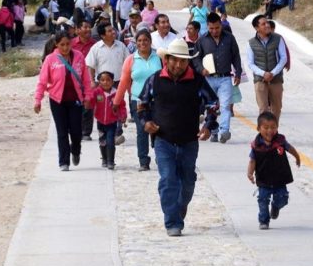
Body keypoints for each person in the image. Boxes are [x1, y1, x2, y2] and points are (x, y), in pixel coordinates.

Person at [138, 38, 219, 237]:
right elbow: (142, 104)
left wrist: (208, 126)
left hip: (189, 141)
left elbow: (213, 105)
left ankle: (180, 206)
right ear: (167, 60)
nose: (178, 64)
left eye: (183, 61)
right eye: (174, 60)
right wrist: (146, 122)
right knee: (168, 180)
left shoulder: (198, 81)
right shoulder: (155, 79)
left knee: (188, 181)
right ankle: (172, 221)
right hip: (163, 140)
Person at [34, 30, 94, 171]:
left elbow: (86, 79)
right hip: (57, 100)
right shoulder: (50, 59)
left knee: (76, 131)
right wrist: (38, 100)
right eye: (62, 45)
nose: (66, 48)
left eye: (68, 44)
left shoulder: (79, 57)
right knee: (62, 132)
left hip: (75, 100)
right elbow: (42, 82)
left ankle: (76, 150)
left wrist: (88, 96)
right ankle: (64, 161)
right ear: (56, 45)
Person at [114, 30, 163, 171]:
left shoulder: (159, 58)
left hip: (158, 101)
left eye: (145, 40)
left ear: (150, 41)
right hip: (138, 101)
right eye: (139, 41)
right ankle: (143, 161)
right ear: (136, 42)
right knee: (142, 130)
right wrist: (117, 101)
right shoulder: (131, 59)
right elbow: (124, 81)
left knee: (158, 129)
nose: (143, 43)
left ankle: (161, 157)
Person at [192, 12, 241, 143]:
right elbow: (195, 58)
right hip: (208, 79)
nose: (214, 31)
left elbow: (236, 56)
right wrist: (201, 69)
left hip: (225, 78)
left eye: (217, 28)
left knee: (225, 106)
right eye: (211, 28)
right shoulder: (202, 40)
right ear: (207, 26)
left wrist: (238, 73)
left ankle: (224, 131)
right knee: (210, 107)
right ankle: (213, 130)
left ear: (221, 25)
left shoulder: (230, 38)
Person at [247, 112, 301, 230]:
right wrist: (250, 173)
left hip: (279, 177)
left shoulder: (280, 141)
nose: (270, 131)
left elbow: (290, 148)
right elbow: (252, 161)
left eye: (273, 127)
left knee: (283, 198)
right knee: (262, 200)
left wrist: (297, 157)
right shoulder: (256, 146)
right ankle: (264, 221)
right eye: (266, 128)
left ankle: (276, 206)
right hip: (264, 178)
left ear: (277, 127)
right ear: (258, 128)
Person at [85, 23, 130, 140]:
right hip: (102, 84)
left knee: (118, 105)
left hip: (118, 83)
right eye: (109, 31)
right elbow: (90, 66)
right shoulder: (96, 48)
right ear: (103, 35)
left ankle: (117, 132)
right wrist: (92, 81)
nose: (113, 32)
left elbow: (129, 62)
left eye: (113, 30)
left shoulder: (121, 46)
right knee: (104, 108)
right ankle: (104, 131)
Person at [247, 15, 287, 121]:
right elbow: (250, 63)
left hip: (276, 79)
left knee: (277, 109)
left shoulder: (278, 39)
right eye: (263, 24)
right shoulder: (251, 43)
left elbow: (283, 58)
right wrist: (263, 73)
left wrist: (272, 73)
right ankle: (263, 134)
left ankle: (274, 133)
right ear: (256, 28)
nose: (267, 25)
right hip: (260, 80)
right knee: (263, 109)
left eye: (267, 23)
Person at [93, 71, 127, 170]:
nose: (105, 82)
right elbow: (91, 102)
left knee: (110, 141)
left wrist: (123, 115)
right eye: (102, 80)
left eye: (108, 80)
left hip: (112, 122)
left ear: (112, 82)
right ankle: (104, 158)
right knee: (102, 142)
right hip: (100, 122)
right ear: (99, 82)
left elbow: (122, 106)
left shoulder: (116, 93)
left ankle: (111, 161)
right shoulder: (96, 92)